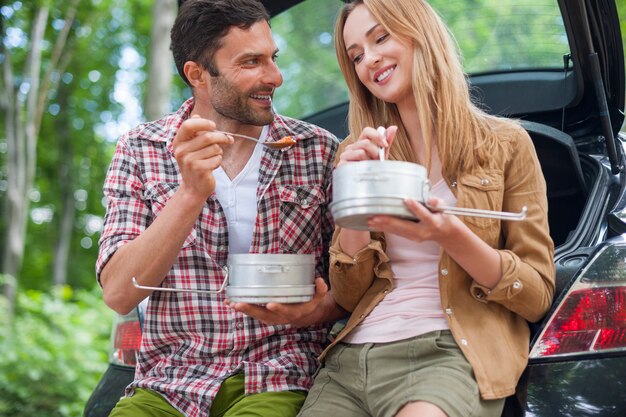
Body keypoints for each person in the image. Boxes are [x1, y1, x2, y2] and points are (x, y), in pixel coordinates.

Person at [296, 1, 556, 417]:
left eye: (381, 37)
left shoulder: (506, 145)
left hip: (447, 352)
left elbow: (538, 293)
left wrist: (448, 235)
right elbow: (348, 296)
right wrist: (351, 199)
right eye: (357, 55)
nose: (370, 60)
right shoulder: (357, 153)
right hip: (351, 360)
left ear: (421, 34)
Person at [96, 1, 340, 416]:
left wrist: (318, 309)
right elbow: (120, 294)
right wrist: (189, 193)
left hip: (279, 373)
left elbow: (355, 286)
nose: (275, 77)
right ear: (197, 75)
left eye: (273, 58)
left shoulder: (317, 151)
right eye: (252, 62)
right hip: (169, 380)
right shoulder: (140, 150)